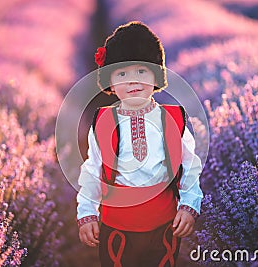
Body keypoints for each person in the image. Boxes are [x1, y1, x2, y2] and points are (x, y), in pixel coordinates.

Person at [76, 21, 203, 267]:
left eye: (142, 72)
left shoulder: (173, 119)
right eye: (122, 74)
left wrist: (189, 205)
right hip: (117, 227)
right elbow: (93, 169)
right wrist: (87, 212)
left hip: (163, 225)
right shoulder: (103, 121)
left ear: (156, 76)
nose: (133, 81)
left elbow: (189, 167)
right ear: (110, 83)